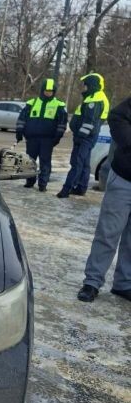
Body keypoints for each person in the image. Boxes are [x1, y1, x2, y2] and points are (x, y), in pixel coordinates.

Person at [77, 95, 131, 302]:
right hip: (125, 177)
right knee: (108, 232)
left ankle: (124, 284)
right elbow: (116, 116)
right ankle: (92, 282)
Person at [58, 72, 110, 198]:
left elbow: (89, 122)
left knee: (77, 162)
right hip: (85, 137)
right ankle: (81, 188)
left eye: (86, 85)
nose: (84, 88)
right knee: (85, 163)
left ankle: (67, 189)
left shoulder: (95, 99)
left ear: (92, 85)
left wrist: (80, 136)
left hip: (84, 137)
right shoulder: (93, 97)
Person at [15, 78, 67, 192]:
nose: (48, 93)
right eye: (46, 90)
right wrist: (19, 131)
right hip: (32, 138)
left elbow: (62, 123)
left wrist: (58, 137)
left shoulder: (59, 105)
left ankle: (43, 184)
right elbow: (22, 119)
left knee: (45, 162)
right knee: (30, 161)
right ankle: (29, 181)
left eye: (51, 91)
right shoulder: (31, 103)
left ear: (54, 91)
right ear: (42, 90)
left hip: (47, 140)